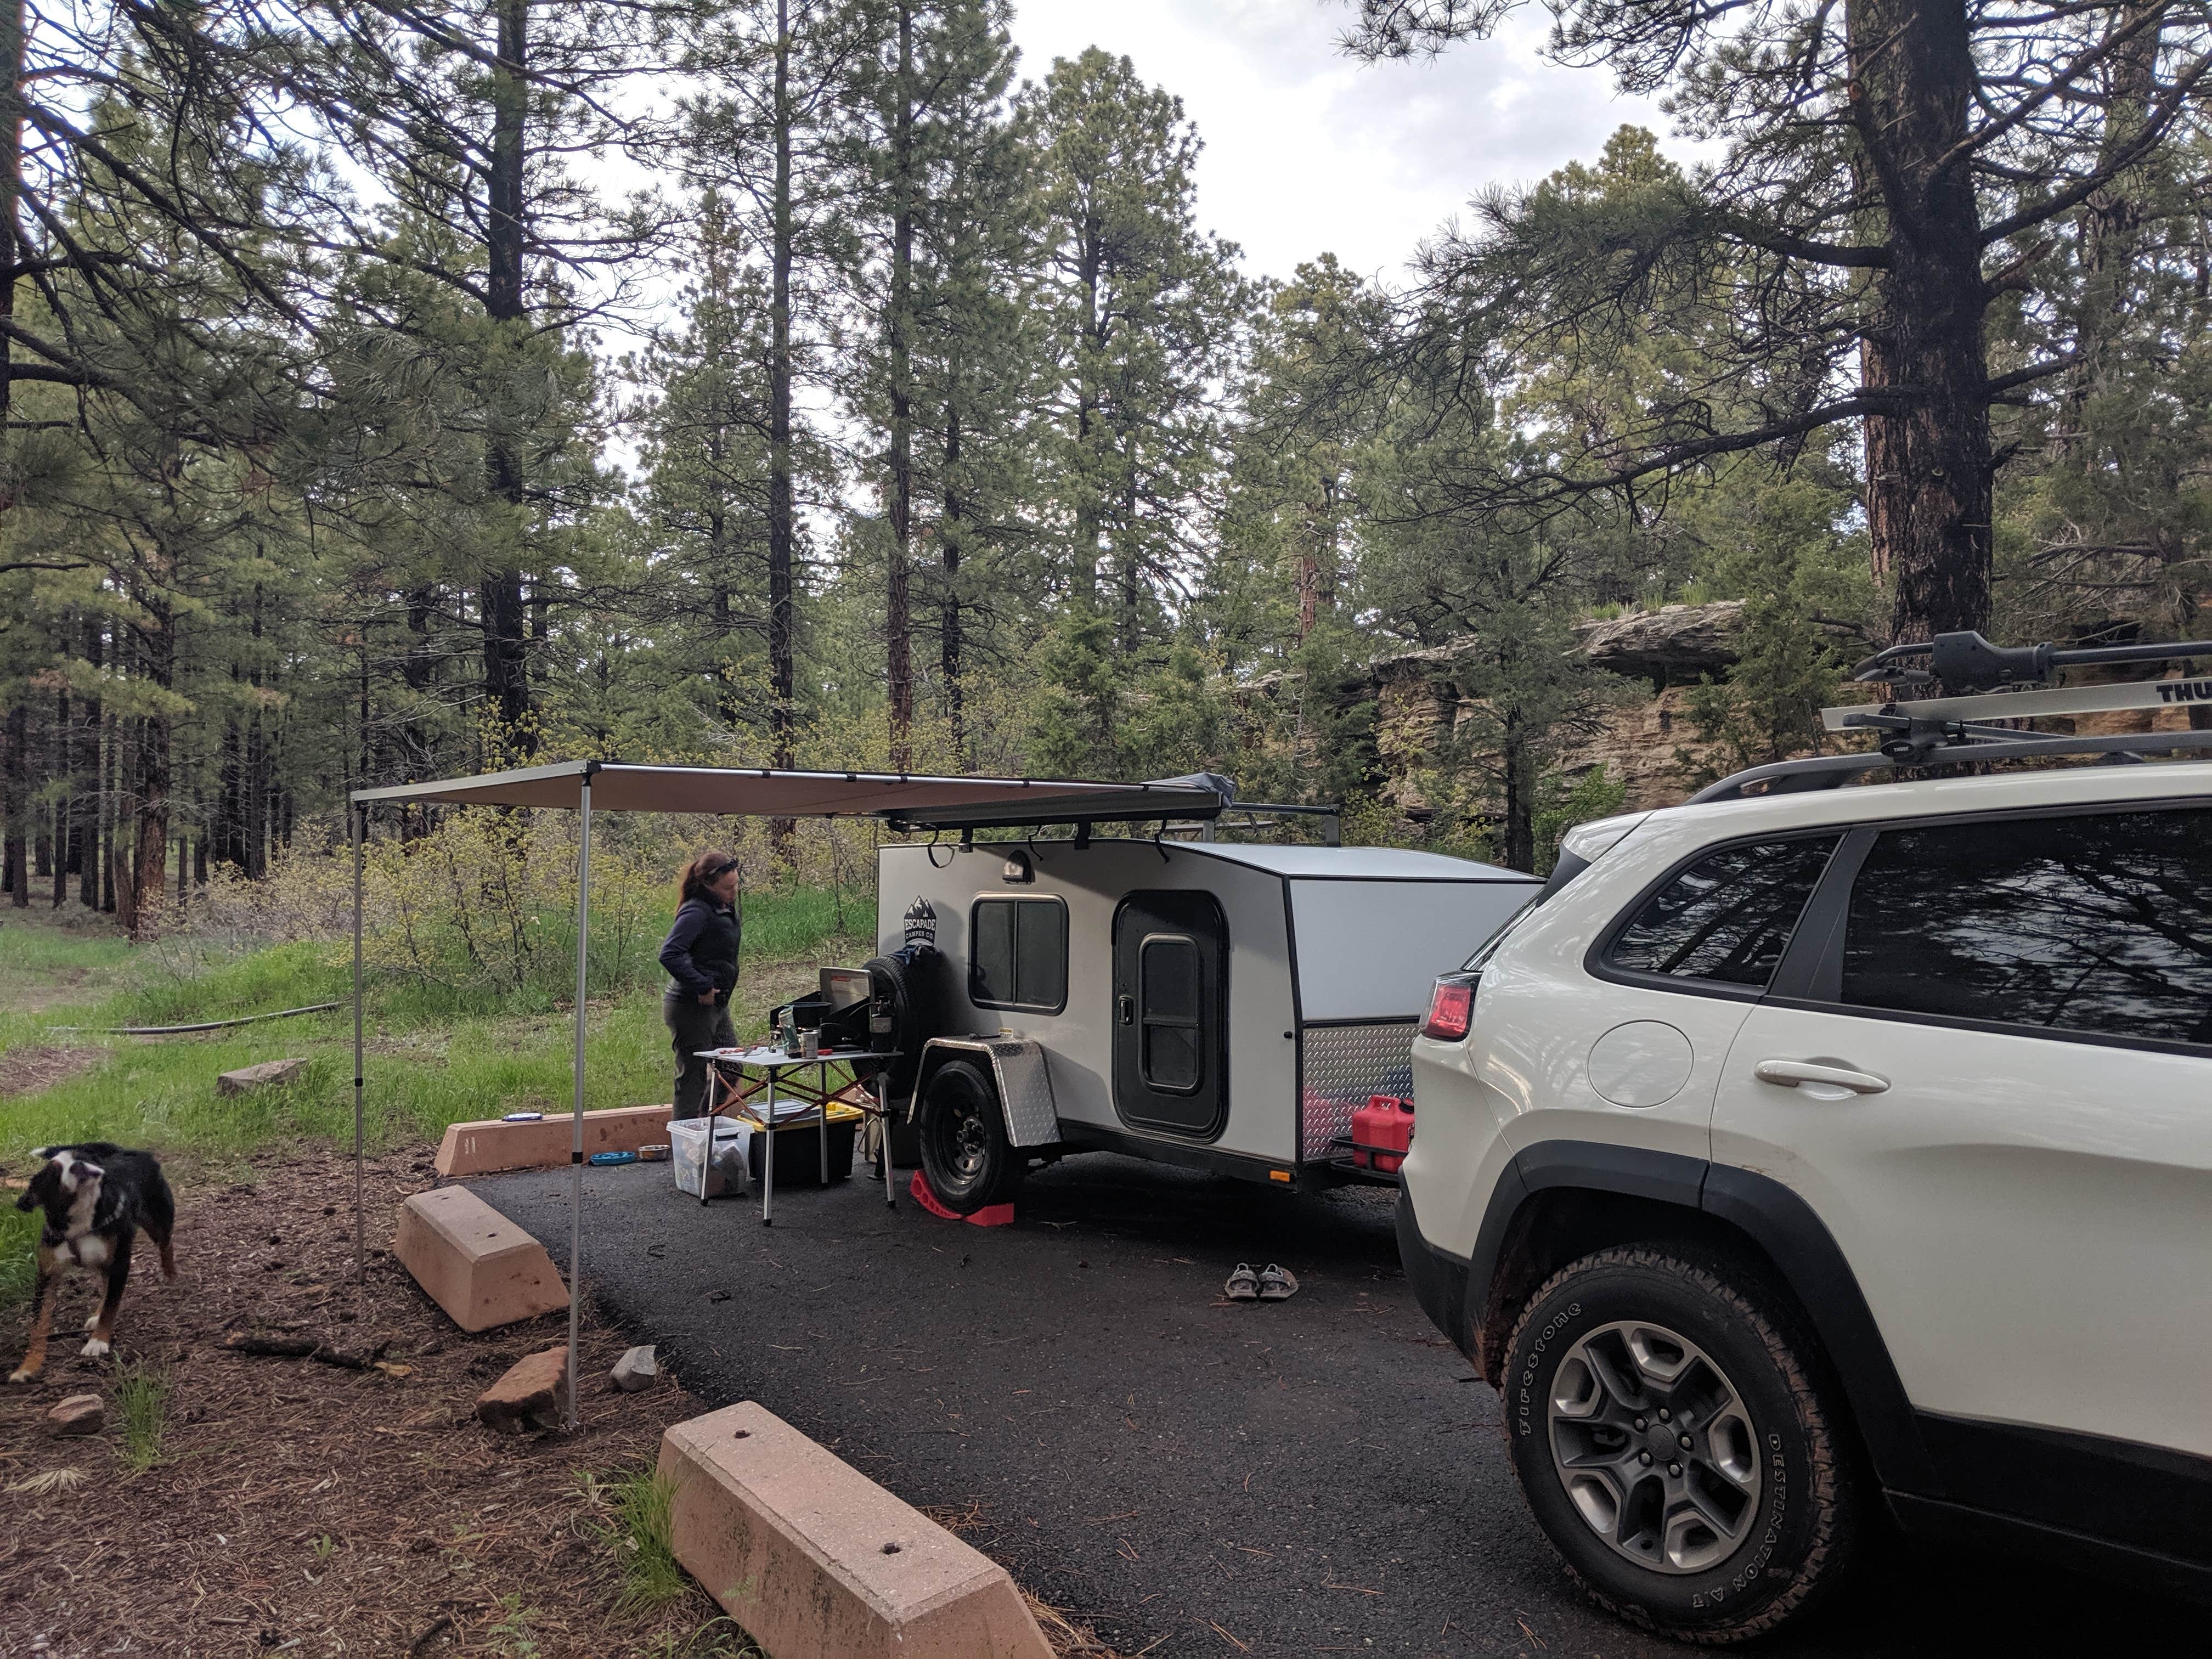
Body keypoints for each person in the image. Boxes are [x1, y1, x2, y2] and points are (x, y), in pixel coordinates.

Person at [660, 850, 743, 1120]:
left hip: (718, 1005)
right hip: (691, 1006)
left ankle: (706, 1125)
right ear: (709, 885)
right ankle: (685, 1142)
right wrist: (703, 986)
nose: (734, 892)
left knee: (730, 1068)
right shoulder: (697, 910)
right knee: (693, 1076)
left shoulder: (721, 906)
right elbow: (670, 954)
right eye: (728, 888)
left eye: (736, 885)